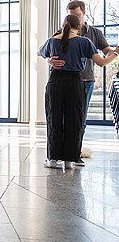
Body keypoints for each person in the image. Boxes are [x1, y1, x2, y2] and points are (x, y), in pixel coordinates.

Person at [39, 14, 118, 169]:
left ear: (63, 25)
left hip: (55, 81)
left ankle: (53, 159)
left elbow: (39, 52)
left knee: (54, 118)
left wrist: (49, 60)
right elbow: (101, 62)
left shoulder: (52, 41)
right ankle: (70, 160)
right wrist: (116, 53)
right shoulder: (84, 42)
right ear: (80, 27)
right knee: (74, 119)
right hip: (75, 81)